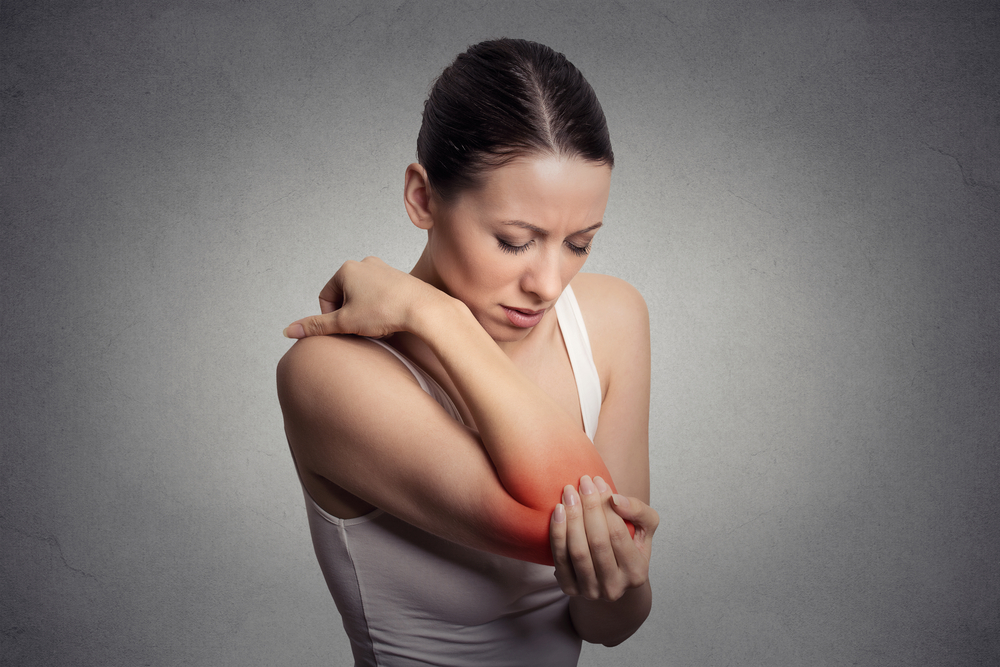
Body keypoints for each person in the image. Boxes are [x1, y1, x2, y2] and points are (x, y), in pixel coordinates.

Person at [277, 38, 657, 666]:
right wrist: (442, 319)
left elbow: (611, 619)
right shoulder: (328, 374)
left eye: (579, 243)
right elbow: (555, 515)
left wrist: (617, 582)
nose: (549, 284)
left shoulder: (614, 318)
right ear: (423, 198)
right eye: (514, 241)